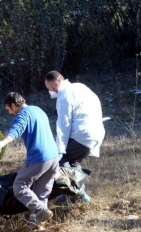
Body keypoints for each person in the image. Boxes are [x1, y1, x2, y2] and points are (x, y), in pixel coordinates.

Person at [0, 92, 59, 231]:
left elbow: (16, 129)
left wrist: (2, 142)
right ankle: (37, 227)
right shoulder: (38, 110)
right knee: (41, 192)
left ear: (13, 105)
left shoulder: (23, 114)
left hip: (39, 158)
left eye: (9, 109)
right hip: (54, 157)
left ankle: (40, 211)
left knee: (19, 186)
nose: (10, 113)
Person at [44, 71, 105, 204]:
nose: (49, 93)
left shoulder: (63, 96)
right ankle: (70, 194)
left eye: (49, 88)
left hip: (82, 134)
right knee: (73, 163)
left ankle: (77, 194)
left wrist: (59, 149)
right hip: (95, 132)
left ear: (55, 84)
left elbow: (63, 125)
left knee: (60, 162)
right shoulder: (79, 86)